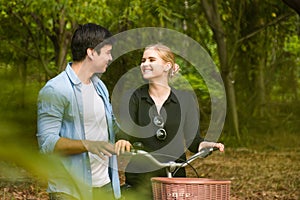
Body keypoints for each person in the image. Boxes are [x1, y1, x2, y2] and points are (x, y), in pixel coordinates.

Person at [115, 43, 224, 199]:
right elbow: (125, 131)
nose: (145, 64)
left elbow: (194, 141)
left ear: (167, 66)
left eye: (151, 60)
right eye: (143, 60)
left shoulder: (186, 100)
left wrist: (206, 145)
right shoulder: (134, 97)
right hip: (141, 178)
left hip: (174, 177)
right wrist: (123, 141)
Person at [37, 23, 121, 200]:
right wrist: (88, 145)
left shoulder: (100, 86)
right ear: (91, 52)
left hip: (105, 186)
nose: (110, 58)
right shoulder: (55, 89)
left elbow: (112, 125)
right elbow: (47, 144)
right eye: (107, 52)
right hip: (69, 191)